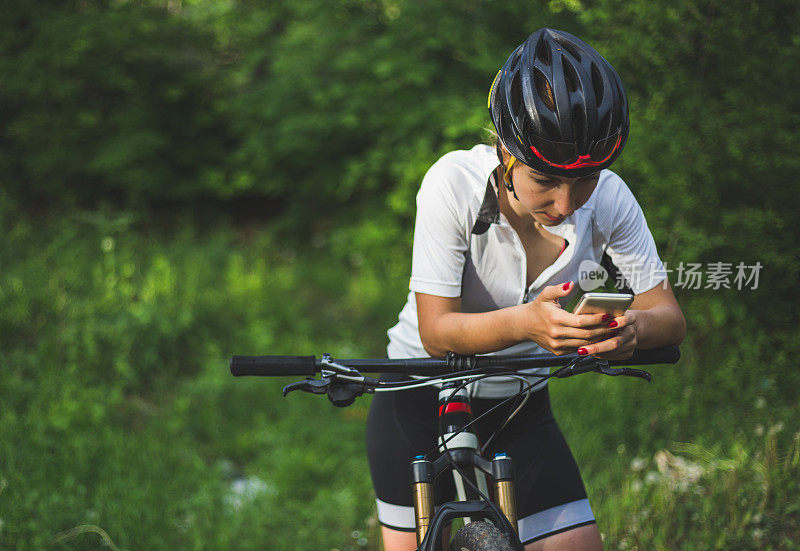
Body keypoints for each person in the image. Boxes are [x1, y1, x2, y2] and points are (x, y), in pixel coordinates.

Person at [366, 28, 686, 551]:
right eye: (545, 180)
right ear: (504, 153)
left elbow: (668, 317)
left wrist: (632, 329)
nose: (566, 204)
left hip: (518, 402)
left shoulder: (610, 198)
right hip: (415, 395)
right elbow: (436, 331)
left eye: (585, 180)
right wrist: (527, 323)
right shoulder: (453, 184)